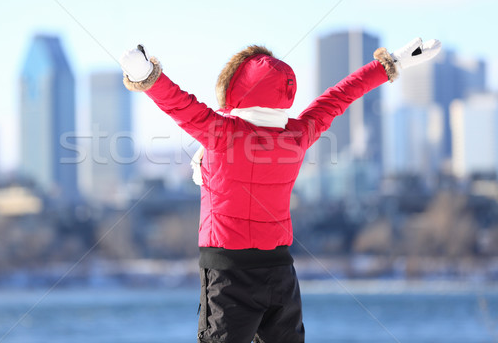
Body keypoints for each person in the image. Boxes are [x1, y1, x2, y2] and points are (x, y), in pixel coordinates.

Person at [119, 37, 441, 343]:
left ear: (235, 88)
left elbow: (179, 104)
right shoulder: (297, 137)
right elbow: (339, 97)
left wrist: (145, 75)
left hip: (228, 275)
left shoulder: (221, 133)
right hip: (280, 273)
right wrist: (391, 63)